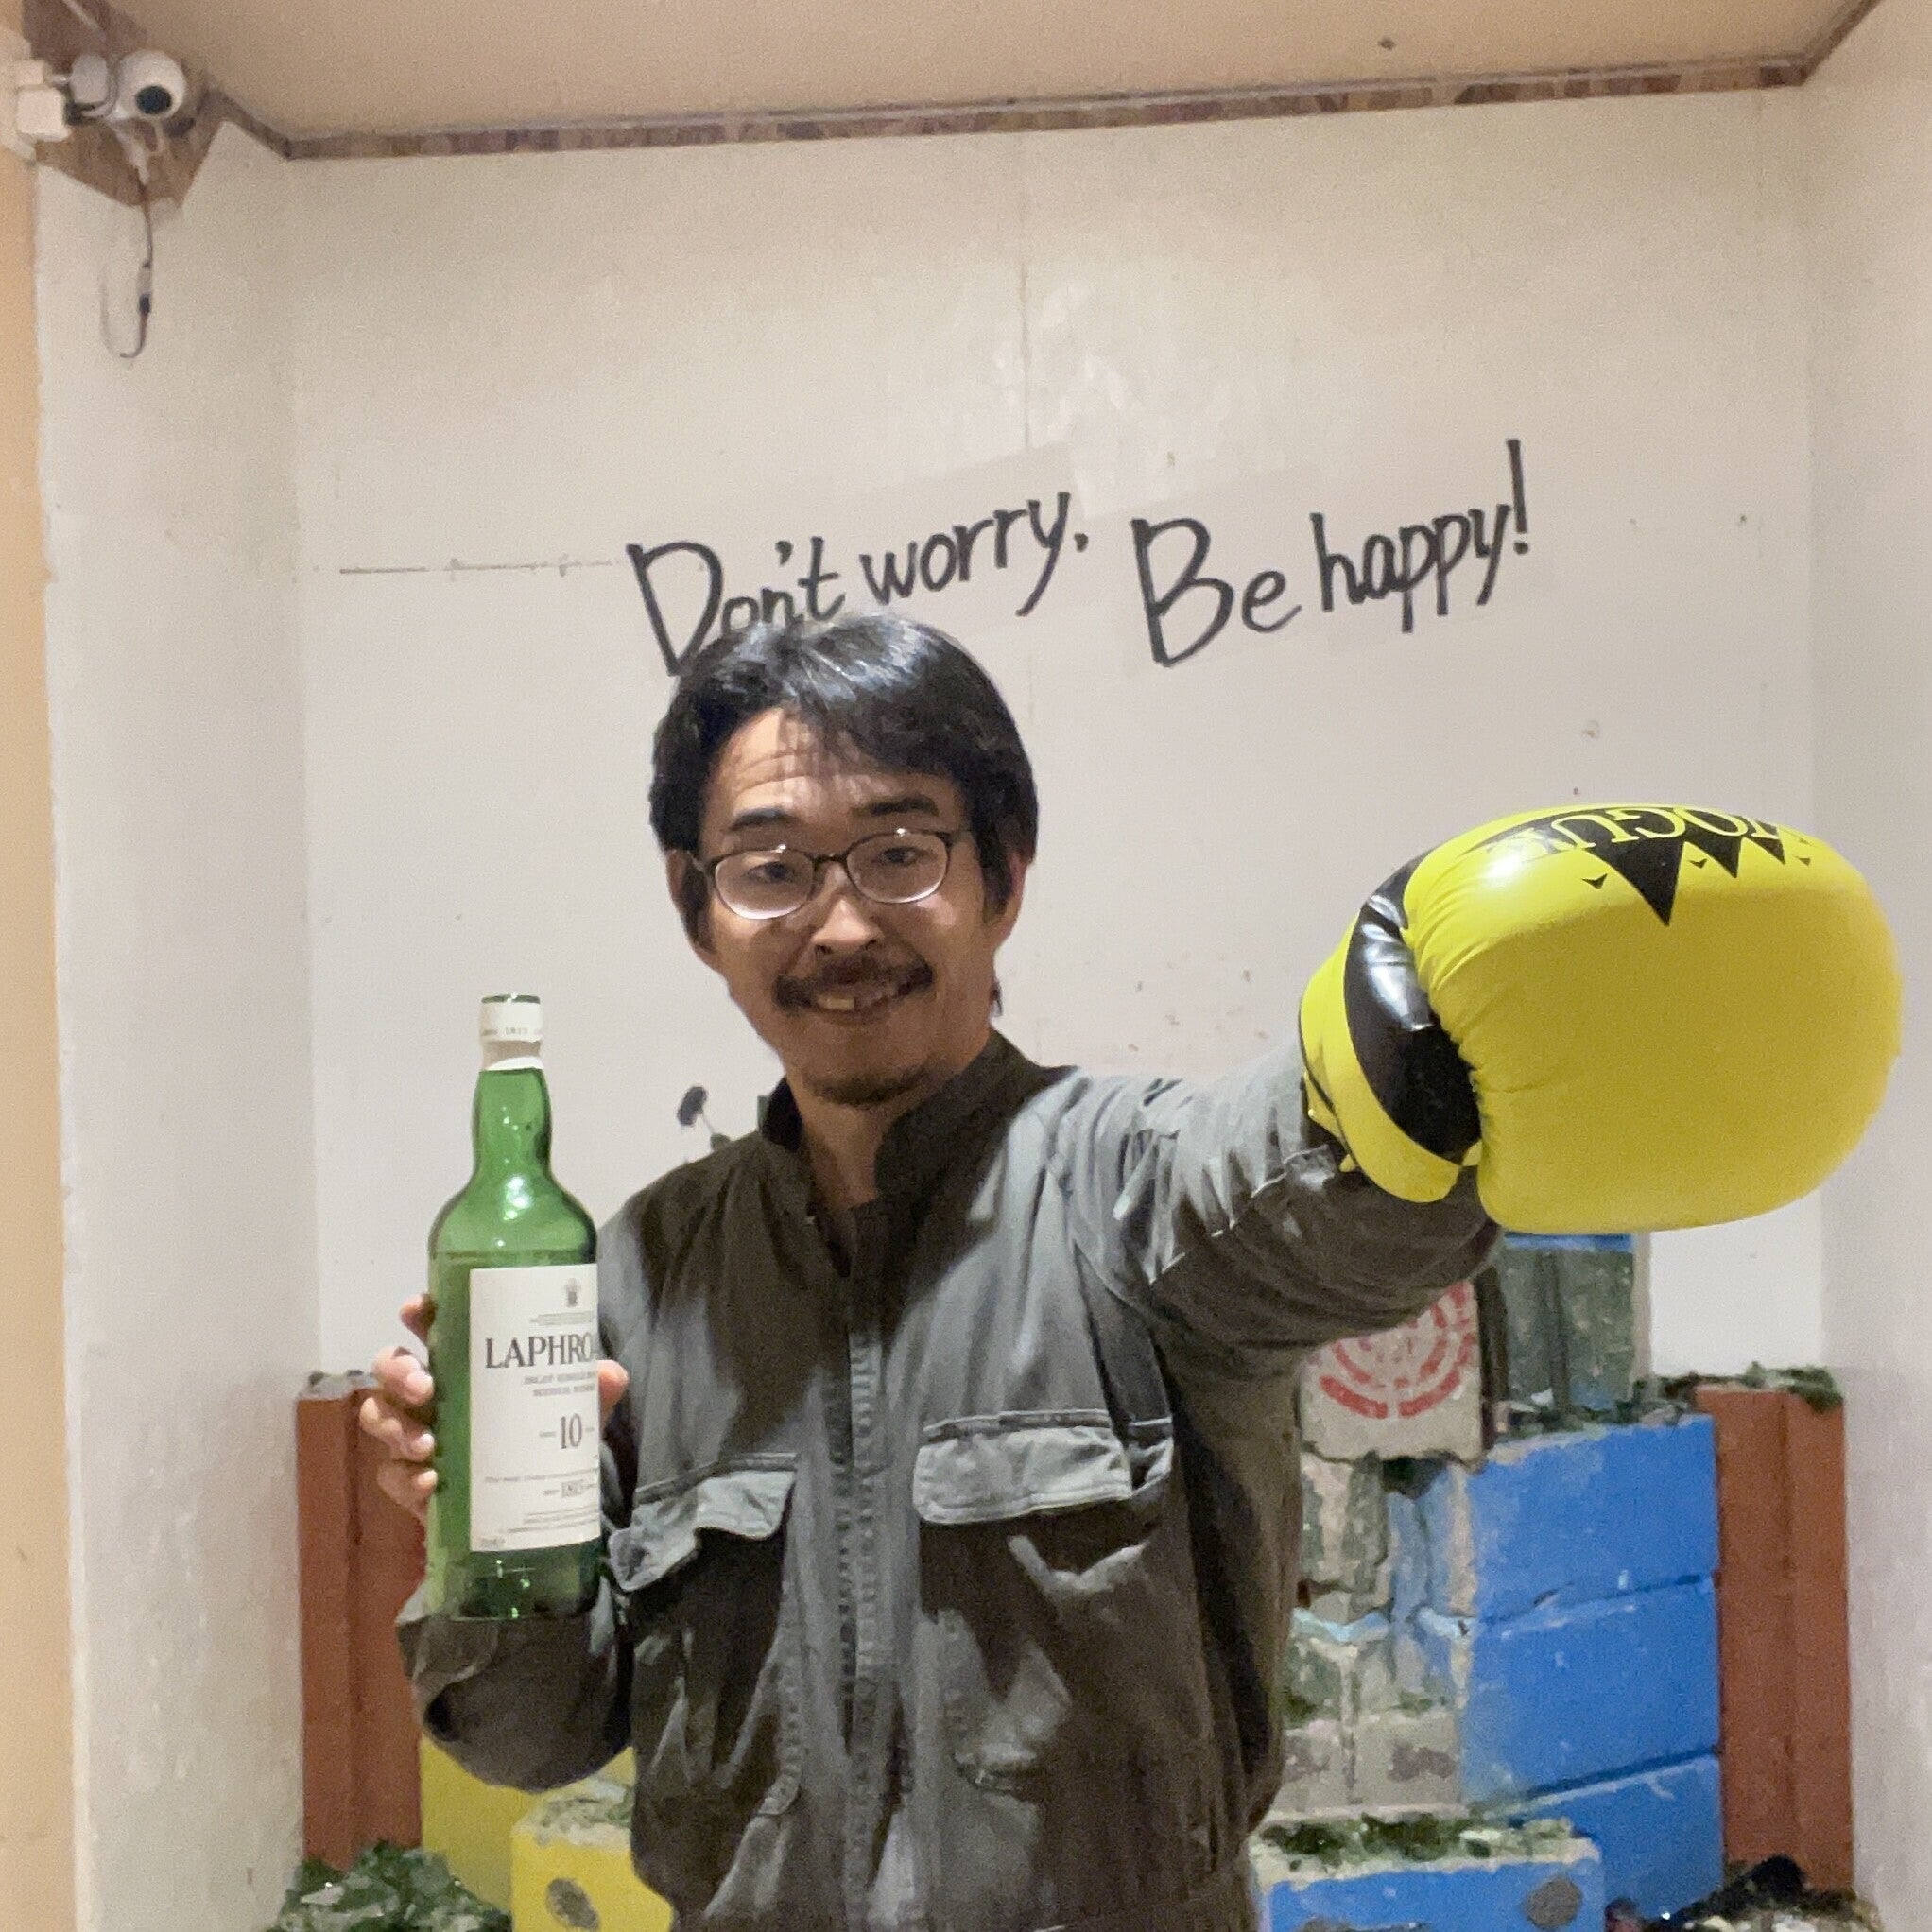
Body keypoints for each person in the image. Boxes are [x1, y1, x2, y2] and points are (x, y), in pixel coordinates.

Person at [359, 610, 1500, 1932]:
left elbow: (1334, 1203)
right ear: (697, 910)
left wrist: (1436, 1048)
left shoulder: (1137, 1185)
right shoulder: (641, 1277)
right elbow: (528, 1736)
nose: (843, 927)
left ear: (1002, 876)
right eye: (771, 869)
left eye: (900, 853)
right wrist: (479, 1543)